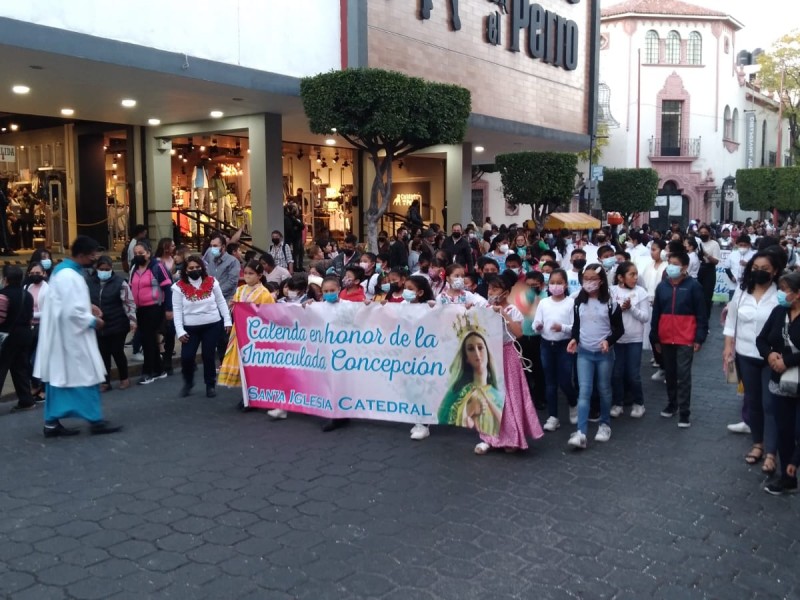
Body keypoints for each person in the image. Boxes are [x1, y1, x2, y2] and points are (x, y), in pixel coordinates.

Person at [34, 236, 122, 437]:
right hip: (72, 338)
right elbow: (71, 310)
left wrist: (87, 307)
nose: (94, 260)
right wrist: (93, 321)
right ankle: (95, 420)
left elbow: (65, 302)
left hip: (64, 336)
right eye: (92, 256)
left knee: (60, 379)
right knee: (87, 375)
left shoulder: (63, 272)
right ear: (81, 255)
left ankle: (51, 423)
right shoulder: (69, 276)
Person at [473, 273, 544, 454]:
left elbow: (518, 332)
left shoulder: (513, 310)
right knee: (488, 396)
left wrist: (503, 313)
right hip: (487, 355)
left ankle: (511, 437)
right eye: (489, 288)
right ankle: (487, 437)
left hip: (506, 353)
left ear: (505, 292)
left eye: (495, 289)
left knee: (509, 397)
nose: (491, 292)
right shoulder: (484, 307)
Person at [723, 251, 780, 473]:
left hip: (772, 358)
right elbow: (731, 320)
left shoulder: (780, 294)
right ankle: (758, 444)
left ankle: (772, 452)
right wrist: (728, 346)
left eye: (765, 269)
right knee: (753, 402)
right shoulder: (742, 291)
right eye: (755, 267)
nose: (759, 272)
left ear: (774, 271)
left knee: (770, 404)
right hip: (745, 353)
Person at [566, 264, 624, 449]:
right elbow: (577, 326)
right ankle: (581, 432)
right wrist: (574, 339)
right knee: (584, 391)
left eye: (592, 279)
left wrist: (609, 341)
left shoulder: (610, 303)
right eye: (586, 279)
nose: (589, 283)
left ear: (601, 281)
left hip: (604, 354)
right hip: (584, 353)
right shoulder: (578, 302)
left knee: (604, 388)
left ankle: (604, 424)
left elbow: (619, 329)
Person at [651, 252, 708, 428]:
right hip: (666, 337)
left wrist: (699, 337)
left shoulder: (694, 287)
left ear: (684, 267)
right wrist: (655, 337)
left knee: (683, 375)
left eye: (675, 263)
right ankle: (672, 404)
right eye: (669, 262)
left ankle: (684, 412)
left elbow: (701, 313)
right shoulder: (662, 287)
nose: (670, 266)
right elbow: (656, 314)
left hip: (686, 337)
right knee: (670, 373)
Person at [756, 271, 800, 495]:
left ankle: (794, 464)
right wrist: (770, 356)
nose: (781, 294)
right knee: (784, 428)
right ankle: (788, 478)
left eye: (785, 290)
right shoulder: (778, 312)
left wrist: (788, 361)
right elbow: (762, 339)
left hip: (796, 375)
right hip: (780, 381)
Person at [172, 255, 231, 398]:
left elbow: (221, 302)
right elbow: (177, 310)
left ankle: (210, 385)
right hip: (190, 327)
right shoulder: (178, 287)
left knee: (208, 356)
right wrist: (179, 331)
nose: (195, 270)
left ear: (202, 268)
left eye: (198, 267)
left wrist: (227, 320)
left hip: (212, 324)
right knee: (187, 357)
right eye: (191, 268)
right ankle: (188, 382)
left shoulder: (212, 282)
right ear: (185, 270)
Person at [219, 260, 274, 397]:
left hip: (256, 335)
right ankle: (246, 396)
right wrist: (233, 306)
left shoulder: (264, 293)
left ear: (259, 275)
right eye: (246, 273)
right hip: (239, 331)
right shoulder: (240, 290)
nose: (248, 276)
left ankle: (254, 395)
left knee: (252, 365)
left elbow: (270, 313)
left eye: (251, 273)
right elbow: (234, 309)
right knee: (242, 364)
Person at [533, 269, 578, 431]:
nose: (556, 286)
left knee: (565, 380)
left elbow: (575, 327)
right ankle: (553, 416)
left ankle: (573, 403)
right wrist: (537, 326)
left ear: (566, 285)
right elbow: (537, 322)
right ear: (547, 284)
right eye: (552, 282)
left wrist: (563, 328)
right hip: (546, 345)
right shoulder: (544, 303)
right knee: (550, 382)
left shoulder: (571, 303)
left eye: (559, 283)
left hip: (564, 346)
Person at [87, 256, 136, 392]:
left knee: (117, 351)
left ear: (111, 269)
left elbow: (128, 303)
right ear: (97, 269)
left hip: (117, 323)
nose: (104, 272)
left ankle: (124, 378)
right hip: (98, 324)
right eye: (101, 269)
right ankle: (105, 382)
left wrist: (132, 320)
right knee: (103, 353)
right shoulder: (89, 282)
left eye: (107, 269)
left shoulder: (120, 283)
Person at [610, 262, 650, 419]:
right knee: (617, 373)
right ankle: (617, 403)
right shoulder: (612, 291)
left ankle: (639, 403)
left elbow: (645, 317)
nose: (635, 277)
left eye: (636, 274)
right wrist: (619, 308)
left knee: (633, 374)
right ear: (621, 277)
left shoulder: (641, 292)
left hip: (634, 338)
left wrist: (631, 308)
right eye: (631, 274)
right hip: (617, 339)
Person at [129, 240, 172, 384]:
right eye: (135, 253)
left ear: (148, 253)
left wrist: (168, 309)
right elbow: (131, 286)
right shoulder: (134, 268)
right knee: (150, 339)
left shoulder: (157, 267)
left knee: (147, 339)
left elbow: (167, 287)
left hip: (155, 307)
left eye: (141, 253)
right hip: (140, 308)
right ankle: (159, 369)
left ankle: (148, 372)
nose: (138, 256)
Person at [0, 265, 36, 412]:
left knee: (1, 368)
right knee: (20, 367)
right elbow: (30, 316)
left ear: (6, 279)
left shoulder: (3, 295)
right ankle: (26, 400)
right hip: (25, 335)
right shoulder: (27, 295)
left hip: (8, 337)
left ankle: (26, 401)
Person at [25, 262, 48, 401]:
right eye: (32, 273)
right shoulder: (28, 287)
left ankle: (43, 388)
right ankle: (35, 385)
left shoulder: (47, 289)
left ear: (44, 274)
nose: (35, 276)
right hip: (29, 328)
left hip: (42, 328)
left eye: (38, 273)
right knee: (27, 360)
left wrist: (30, 315)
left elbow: (47, 312)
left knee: (39, 360)